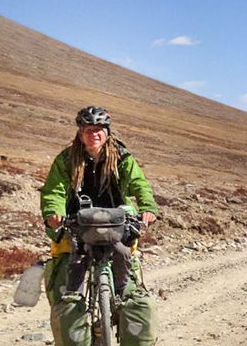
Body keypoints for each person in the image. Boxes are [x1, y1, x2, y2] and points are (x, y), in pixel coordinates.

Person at [39, 105, 160, 300]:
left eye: (98, 130)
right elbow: (55, 190)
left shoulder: (121, 156)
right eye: (88, 130)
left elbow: (139, 183)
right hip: (79, 217)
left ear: (107, 133)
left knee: (122, 251)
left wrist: (147, 208)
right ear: (80, 134)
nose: (93, 134)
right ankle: (74, 299)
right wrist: (54, 211)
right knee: (77, 255)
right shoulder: (67, 159)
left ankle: (123, 295)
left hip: (115, 217)